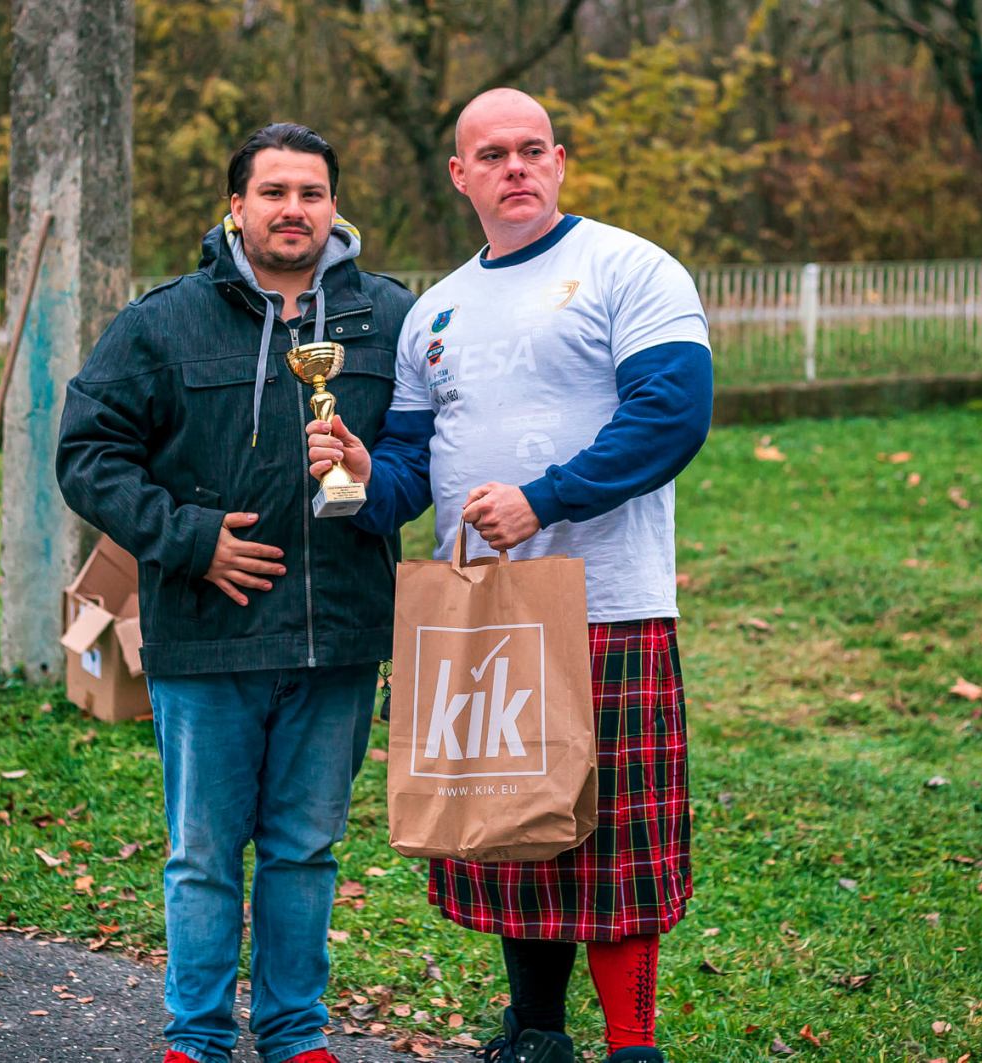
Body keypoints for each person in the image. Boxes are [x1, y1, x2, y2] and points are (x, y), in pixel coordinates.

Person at [305, 89, 713, 1063]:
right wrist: (363, 474)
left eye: (533, 149)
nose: (515, 167)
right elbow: (412, 466)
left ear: (560, 161)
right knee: (514, 832)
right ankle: (537, 1033)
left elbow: (672, 414)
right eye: (492, 154)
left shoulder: (629, 268)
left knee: (613, 843)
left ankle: (633, 1045)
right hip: (485, 613)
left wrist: (546, 497)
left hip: (606, 603)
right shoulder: (436, 310)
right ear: (461, 174)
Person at [57, 123, 414, 1063]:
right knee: (204, 855)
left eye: (311, 193)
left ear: (334, 207)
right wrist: (190, 539)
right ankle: (198, 1038)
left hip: (338, 636)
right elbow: (87, 453)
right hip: (207, 636)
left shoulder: (386, 316)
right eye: (273, 192)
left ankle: (295, 1035)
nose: (294, 209)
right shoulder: (163, 323)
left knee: (304, 851)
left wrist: (376, 473)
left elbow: (427, 449)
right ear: (236, 206)